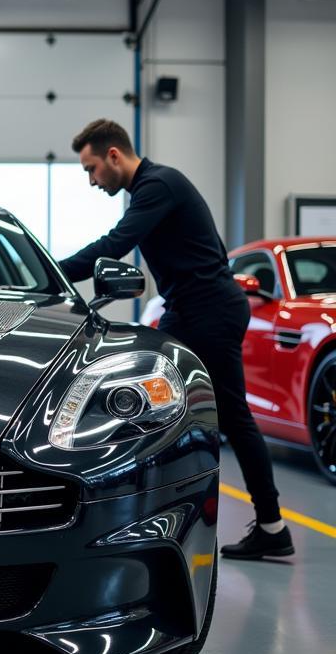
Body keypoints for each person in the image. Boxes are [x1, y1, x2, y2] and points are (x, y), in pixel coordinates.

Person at [57, 119, 292, 561]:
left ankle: (271, 524)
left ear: (113, 155)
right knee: (155, 398)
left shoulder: (157, 185)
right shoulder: (157, 186)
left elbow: (116, 242)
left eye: (91, 169)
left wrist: (50, 273)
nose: (91, 181)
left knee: (232, 416)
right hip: (190, 309)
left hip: (208, 310)